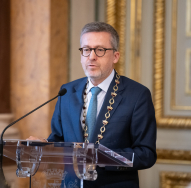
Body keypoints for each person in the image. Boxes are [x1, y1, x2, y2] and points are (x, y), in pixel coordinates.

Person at [28, 22, 156, 188]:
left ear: (115, 56)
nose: (92, 56)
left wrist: (99, 157)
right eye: (86, 49)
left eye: (100, 50)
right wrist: (43, 145)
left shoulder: (137, 95)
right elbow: (59, 140)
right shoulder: (66, 92)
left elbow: (146, 155)